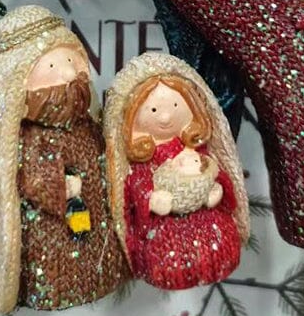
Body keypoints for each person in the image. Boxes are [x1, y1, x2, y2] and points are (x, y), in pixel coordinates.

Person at [0, 5, 129, 313]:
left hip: (95, 223)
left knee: (96, 255)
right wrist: (60, 187)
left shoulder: (87, 124)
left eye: (72, 61)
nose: (70, 74)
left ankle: (103, 276)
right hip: (54, 232)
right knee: (63, 261)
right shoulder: (33, 137)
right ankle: (62, 288)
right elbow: (31, 179)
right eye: (52, 67)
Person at [104, 52, 249, 290]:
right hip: (165, 227)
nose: (165, 116)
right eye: (153, 110)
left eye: (174, 105)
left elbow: (216, 171)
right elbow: (136, 184)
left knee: (218, 240)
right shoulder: (146, 161)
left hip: (206, 219)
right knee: (166, 251)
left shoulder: (198, 150)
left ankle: (215, 261)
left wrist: (215, 187)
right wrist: (150, 198)